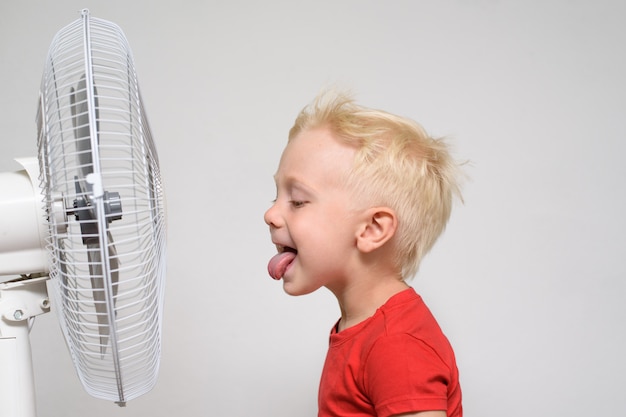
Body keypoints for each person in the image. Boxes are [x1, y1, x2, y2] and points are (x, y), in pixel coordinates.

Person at [264, 90, 463, 417]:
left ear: (372, 229)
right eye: (276, 195)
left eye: (297, 201)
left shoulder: (396, 345)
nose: (270, 214)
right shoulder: (362, 328)